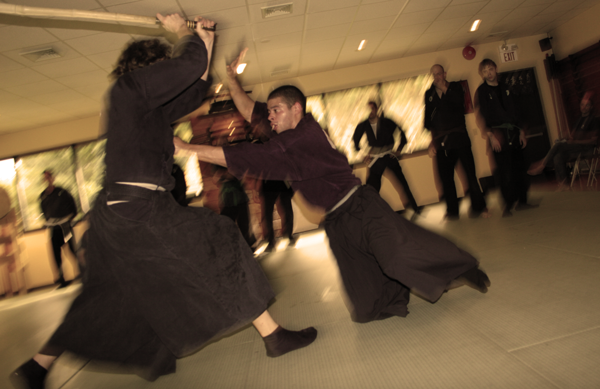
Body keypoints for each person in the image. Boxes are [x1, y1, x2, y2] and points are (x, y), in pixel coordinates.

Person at [10, 14, 316, 389]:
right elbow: (187, 67)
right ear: (149, 69)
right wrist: (183, 33)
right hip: (139, 210)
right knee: (219, 239)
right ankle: (274, 336)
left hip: (117, 216)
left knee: (108, 295)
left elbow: (195, 89)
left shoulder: (149, 110)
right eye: (163, 68)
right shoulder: (128, 90)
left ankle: (37, 366)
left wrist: (205, 38)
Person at [175, 48, 490, 325]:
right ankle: (397, 292)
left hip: (361, 206)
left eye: (276, 110)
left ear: (296, 109)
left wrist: (188, 148)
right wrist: (231, 80)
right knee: (367, 309)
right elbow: (250, 111)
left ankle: (462, 266)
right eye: (269, 111)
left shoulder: (302, 136)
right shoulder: (284, 132)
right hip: (336, 222)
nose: (269, 116)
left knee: (399, 255)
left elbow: (250, 156)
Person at [425, 64, 490, 220]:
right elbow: (429, 120)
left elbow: (459, 103)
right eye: (433, 75)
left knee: (470, 175)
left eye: (439, 74)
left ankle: (480, 207)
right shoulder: (429, 94)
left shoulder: (455, 87)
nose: (436, 78)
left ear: (445, 74)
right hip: (441, 142)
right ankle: (452, 211)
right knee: (445, 178)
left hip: (459, 138)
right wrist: (432, 142)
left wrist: (445, 89)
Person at [474, 59, 537, 217]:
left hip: (514, 134)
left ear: (496, 69)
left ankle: (522, 201)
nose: (489, 73)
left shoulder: (507, 87)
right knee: (503, 172)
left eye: (491, 69)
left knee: (520, 169)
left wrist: (522, 131)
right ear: (481, 74)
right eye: (485, 71)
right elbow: (482, 115)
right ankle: (507, 205)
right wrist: (491, 135)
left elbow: (518, 110)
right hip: (498, 136)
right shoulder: (482, 91)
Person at [353, 101, 422, 217]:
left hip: (389, 156)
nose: (370, 112)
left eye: (372, 109)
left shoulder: (387, 122)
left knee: (403, 183)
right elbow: (355, 141)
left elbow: (402, 134)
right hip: (375, 159)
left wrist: (399, 150)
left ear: (377, 109)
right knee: (371, 188)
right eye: (368, 109)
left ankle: (415, 207)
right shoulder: (364, 125)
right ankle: (368, 214)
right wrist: (363, 155)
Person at [527, 93, 599, 190]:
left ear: (591, 107)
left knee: (558, 145)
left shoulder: (594, 120)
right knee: (558, 155)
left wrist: (575, 142)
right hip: (575, 149)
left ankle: (542, 165)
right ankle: (563, 183)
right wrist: (566, 138)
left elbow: (593, 142)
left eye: (587, 105)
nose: (584, 107)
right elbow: (572, 137)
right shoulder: (579, 120)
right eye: (582, 104)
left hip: (586, 149)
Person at [39, 170, 78, 288]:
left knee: (72, 250)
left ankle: (85, 272)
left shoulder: (62, 192)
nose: (47, 180)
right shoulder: (42, 196)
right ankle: (61, 279)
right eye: (44, 178)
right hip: (53, 229)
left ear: (53, 178)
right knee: (56, 254)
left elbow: (73, 206)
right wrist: (47, 222)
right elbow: (44, 212)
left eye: (49, 177)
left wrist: (70, 217)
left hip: (65, 227)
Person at [214, 165, 256, 248]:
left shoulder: (236, 165)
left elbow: (240, 177)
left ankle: (247, 246)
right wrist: (227, 176)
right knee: (226, 225)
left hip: (239, 199)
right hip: (229, 200)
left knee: (244, 226)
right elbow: (216, 179)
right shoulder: (219, 166)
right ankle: (233, 247)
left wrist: (227, 176)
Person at [261, 179, 295, 252]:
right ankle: (273, 241)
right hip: (273, 181)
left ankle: (286, 237)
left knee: (270, 213)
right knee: (269, 213)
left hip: (277, 181)